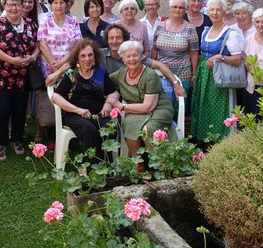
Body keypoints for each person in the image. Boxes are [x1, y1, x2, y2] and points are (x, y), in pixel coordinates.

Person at [46, 23, 186, 100]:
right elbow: (73, 61)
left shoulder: (131, 56)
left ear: (124, 39)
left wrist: (175, 84)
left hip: (127, 96)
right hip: (102, 94)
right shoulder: (100, 53)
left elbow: (159, 65)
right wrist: (57, 74)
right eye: (111, 38)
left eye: (118, 38)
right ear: (107, 39)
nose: (114, 41)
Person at [0, 0, 39, 161]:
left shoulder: (31, 24)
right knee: (2, 109)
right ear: (5, 6)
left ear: (22, 5)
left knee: (19, 109)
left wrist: (32, 57)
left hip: (23, 75)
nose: (14, 8)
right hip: (2, 75)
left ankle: (16, 139)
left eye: (17, 3)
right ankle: (0, 143)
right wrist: (11, 59)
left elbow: (38, 44)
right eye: (10, 4)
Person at [106, 41, 174, 157]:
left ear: (141, 57)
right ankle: (138, 166)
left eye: (135, 55)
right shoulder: (121, 74)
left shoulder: (150, 75)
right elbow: (105, 84)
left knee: (149, 129)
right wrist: (108, 102)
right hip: (135, 112)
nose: (132, 59)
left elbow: (148, 107)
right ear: (123, 59)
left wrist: (121, 106)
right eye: (128, 56)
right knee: (129, 124)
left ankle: (159, 165)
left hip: (158, 109)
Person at [190, 0, 244, 143]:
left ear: (224, 12)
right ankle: (204, 143)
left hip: (219, 78)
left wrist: (220, 57)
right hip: (204, 77)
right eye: (212, 9)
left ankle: (220, 143)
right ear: (207, 11)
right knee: (203, 109)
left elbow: (238, 59)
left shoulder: (230, 33)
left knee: (219, 111)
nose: (214, 13)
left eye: (218, 10)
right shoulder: (205, 31)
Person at [51, 39, 116, 159]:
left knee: (109, 127)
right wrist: (77, 110)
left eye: (90, 55)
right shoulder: (72, 73)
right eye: (83, 56)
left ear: (95, 56)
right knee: (88, 129)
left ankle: (108, 167)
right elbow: (56, 96)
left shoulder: (100, 73)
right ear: (77, 58)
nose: (87, 59)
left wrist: (108, 102)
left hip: (98, 114)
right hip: (75, 115)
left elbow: (113, 92)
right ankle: (91, 169)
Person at [151, 0, 199, 103]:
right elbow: (154, 49)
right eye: (175, 7)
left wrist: (194, 74)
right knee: (162, 105)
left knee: (179, 107)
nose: (177, 10)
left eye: (181, 7)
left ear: (185, 10)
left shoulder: (190, 29)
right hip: (161, 74)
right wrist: (152, 69)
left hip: (183, 74)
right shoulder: (159, 26)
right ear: (170, 8)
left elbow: (194, 53)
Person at [38, 0, 82, 78]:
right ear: (51, 5)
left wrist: (62, 63)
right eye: (55, 2)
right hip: (48, 67)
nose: (59, 6)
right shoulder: (45, 19)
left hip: (68, 66)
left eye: (61, 2)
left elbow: (78, 44)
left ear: (66, 5)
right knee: (49, 91)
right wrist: (53, 64)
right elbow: (41, 42)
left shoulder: (73, 21)